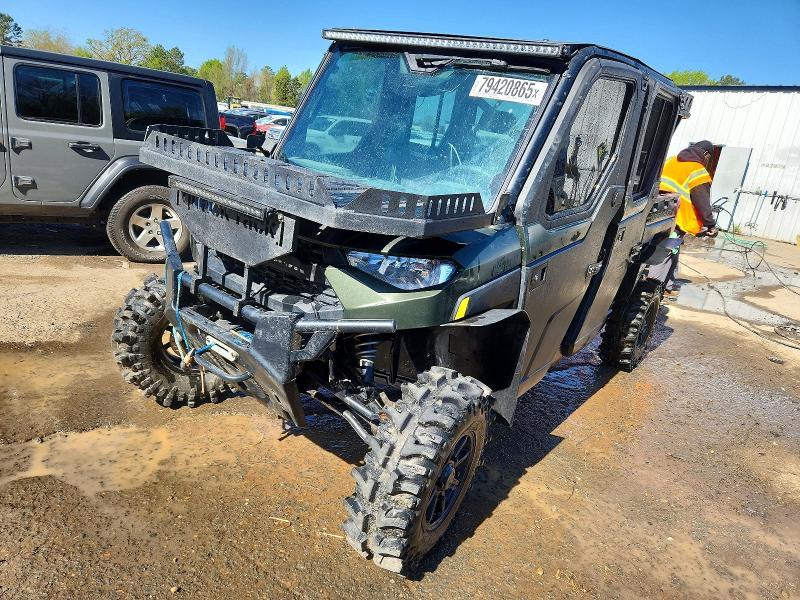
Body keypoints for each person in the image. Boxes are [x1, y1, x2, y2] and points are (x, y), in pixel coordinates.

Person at [656, 140, 718, 297]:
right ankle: (651, 288)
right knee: (665, 253)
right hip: (678, 219)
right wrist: (710, 224)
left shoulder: (671, 160)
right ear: (706, 154)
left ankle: (668, 286)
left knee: (669, 250)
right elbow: (702, 201)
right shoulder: (697, 170)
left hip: (656, 213)